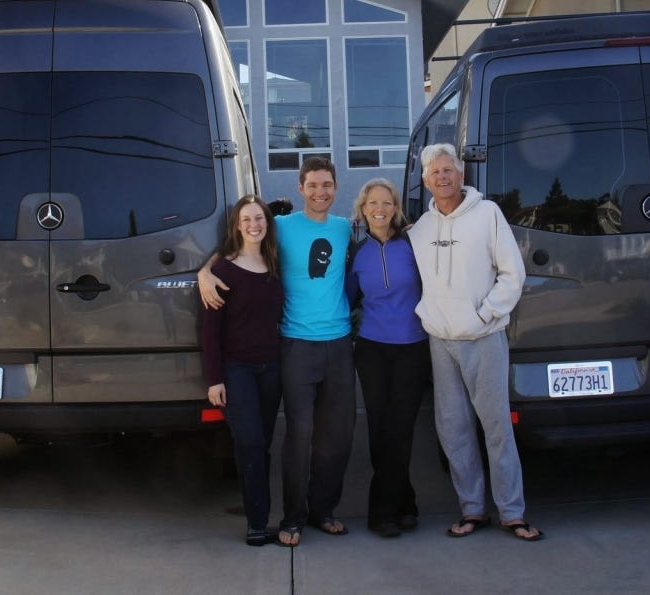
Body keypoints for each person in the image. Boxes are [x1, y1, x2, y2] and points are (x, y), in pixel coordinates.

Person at [200, 156, 355, 547]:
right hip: (296, 343)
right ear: (301, 189)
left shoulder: (346, 228)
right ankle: (293, 518)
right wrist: (206, 271)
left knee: (335, 435)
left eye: (327, 185)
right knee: (299, 435)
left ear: (336, 189)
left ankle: (324, 510)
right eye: (313, 185)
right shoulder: (281, 226)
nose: (320, 192)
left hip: (338, 342)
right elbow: (242, 241)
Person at [407, 143, 543, 542]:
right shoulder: (420, 229)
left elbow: (512, 273)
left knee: (496, 427)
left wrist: (485, 314)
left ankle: (512, 513)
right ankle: (472, 509)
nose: (443, 177)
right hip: (440, 342)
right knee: (453, 429)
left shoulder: (488, 215)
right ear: (425, 181)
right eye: (435, 172)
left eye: (449, 170)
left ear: (461, 175)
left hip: (483, 338)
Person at [346, 178, 432, 538]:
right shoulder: (355, 253)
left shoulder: (415, 243)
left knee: (400, 430)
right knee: (380, 430)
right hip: (371, 350)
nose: (379, 209)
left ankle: (383, 511)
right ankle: (402, 504)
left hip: (412, 347)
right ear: (362, 210)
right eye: (372, 204)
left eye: (387, 203)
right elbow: (347, 299)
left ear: (396, 208)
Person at [201, 195, 285, 547]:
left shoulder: (277, 263)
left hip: (273, 369)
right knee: (248, 442)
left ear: (268, 223)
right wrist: (214, 379)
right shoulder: (221, 271)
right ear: (237, 225)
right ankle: (256, 522)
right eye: (247, 219)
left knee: (262, 444)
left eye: (260, 219)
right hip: (237, 371)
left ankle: (260, 512)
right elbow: (209, 330)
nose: (254, 225)